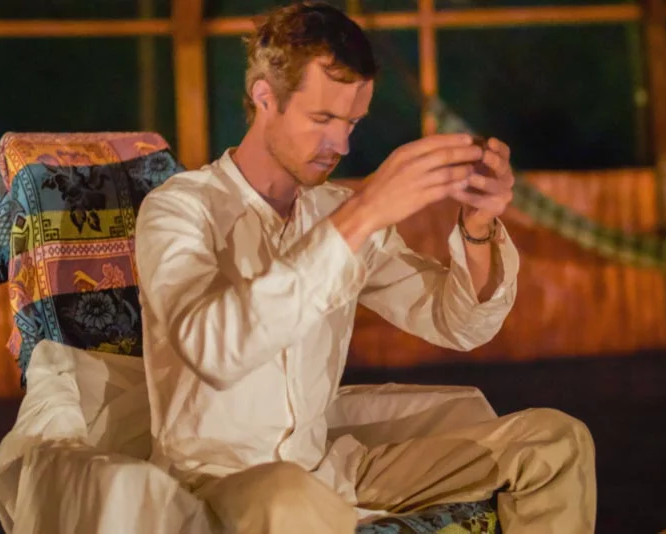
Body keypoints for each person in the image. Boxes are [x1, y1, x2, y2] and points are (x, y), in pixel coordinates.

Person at [134, 2, 596, 533]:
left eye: (352, 122)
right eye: (323, 119)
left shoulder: (336, 210)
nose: (342, 144)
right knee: (287, 499)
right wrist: (363, 214)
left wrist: (478, 226)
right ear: (265, 98)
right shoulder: (179, 209)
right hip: (212, 483)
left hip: (329, 473)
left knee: (554, 443)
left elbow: (457, 324)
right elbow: (213, 349)